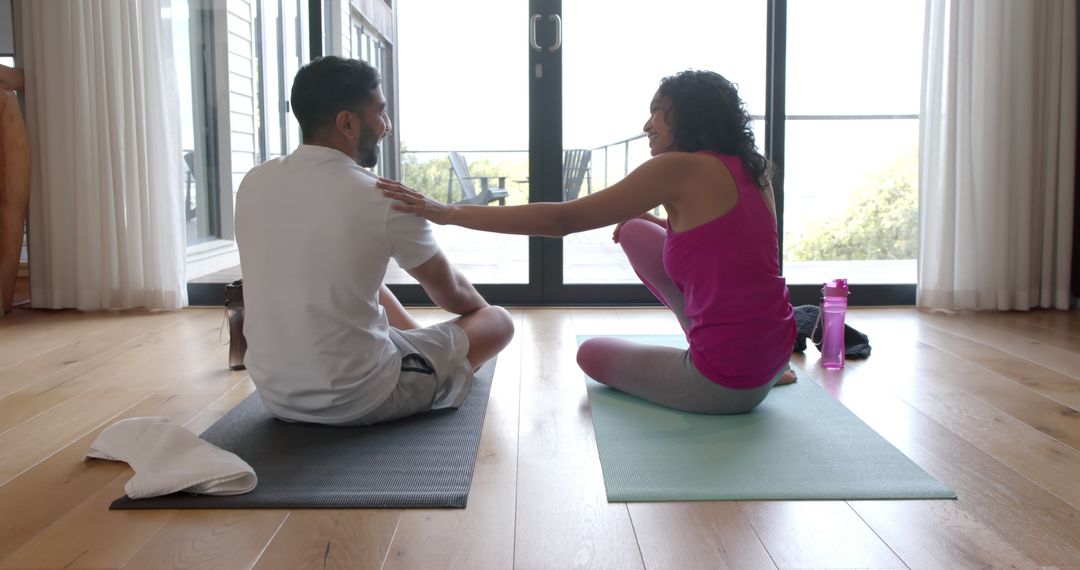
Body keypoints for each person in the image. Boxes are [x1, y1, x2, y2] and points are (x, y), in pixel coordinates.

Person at [379, 70, 796, 414]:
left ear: (686, 116)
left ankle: (720, 361)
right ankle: (750, 362)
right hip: (775, 352)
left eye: (657, 113)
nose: (647, 125)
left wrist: (448, 213)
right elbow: (744, 255)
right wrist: (663, 224)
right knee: (635, 230)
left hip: (726, 383)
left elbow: (563, 219)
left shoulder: (677, 168)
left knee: (591, 354)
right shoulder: (752, 167)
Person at [234, 56, 514, 426]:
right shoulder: (383, 196)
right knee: (499, 321)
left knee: (358, 275)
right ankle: (433, 362)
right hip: (360, 397)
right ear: (347, 123)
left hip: (275, 396)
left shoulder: (255, 181)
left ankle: (426, 349)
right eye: (380, 113)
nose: (387, 126)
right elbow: (453, 294)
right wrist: (478, 319)